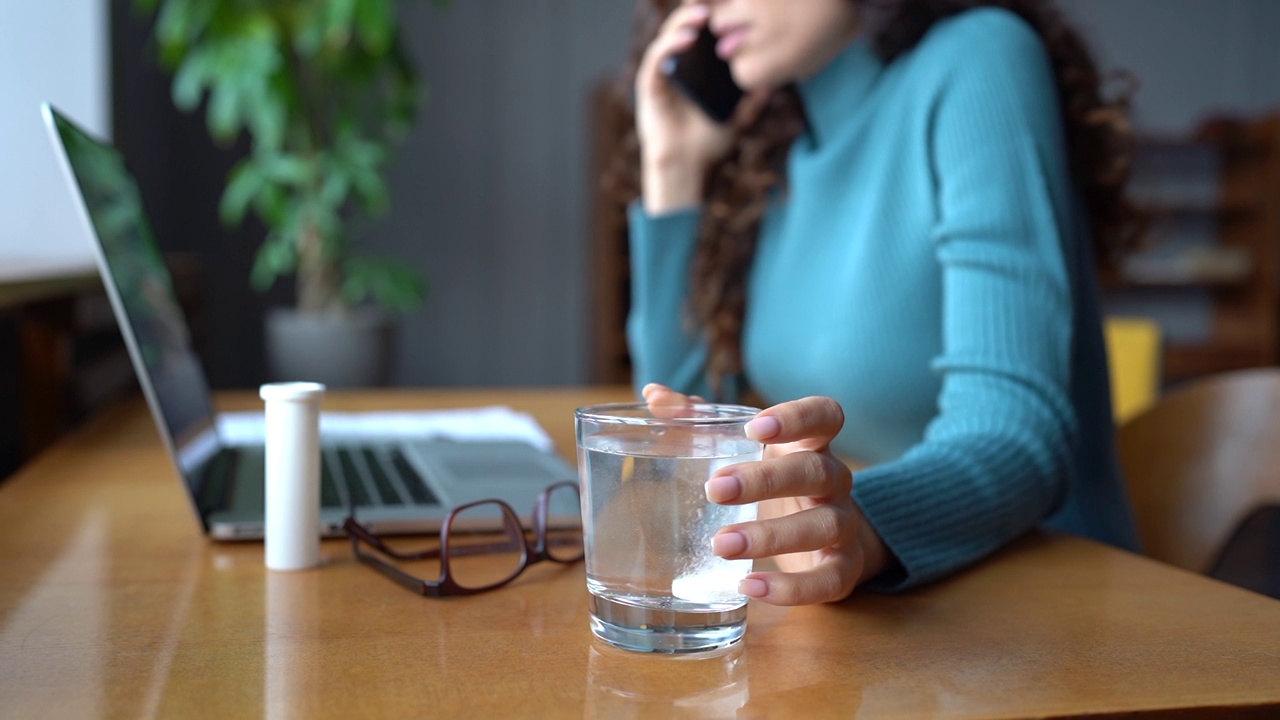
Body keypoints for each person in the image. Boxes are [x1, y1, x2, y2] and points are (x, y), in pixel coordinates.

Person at [611, 0, 1146, 606]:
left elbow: (1018, 434)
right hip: (879, 611)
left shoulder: (978, 56)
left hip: (1046, 606)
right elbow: (688, 431)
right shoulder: (778, 152)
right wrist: (673, 166)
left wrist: (861, 521)